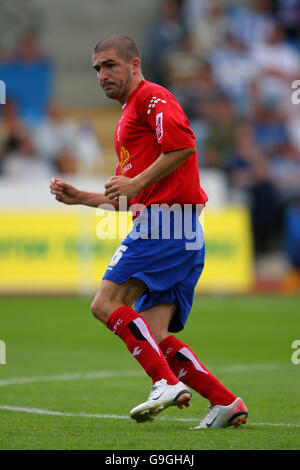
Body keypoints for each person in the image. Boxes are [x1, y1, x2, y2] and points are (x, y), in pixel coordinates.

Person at [50, 35, 248, 428]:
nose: (102, 75)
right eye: (97, 69)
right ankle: (226, 402)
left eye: (110, 65)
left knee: (104, 304)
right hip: (182, 229)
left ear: (134, 64)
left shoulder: (151, 98)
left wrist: (137, 183)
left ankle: (164, 381)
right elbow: (130, 198)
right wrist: (82, 197)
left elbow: (184, 145)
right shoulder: (127, 118)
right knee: (154, 337)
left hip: (166, 224)